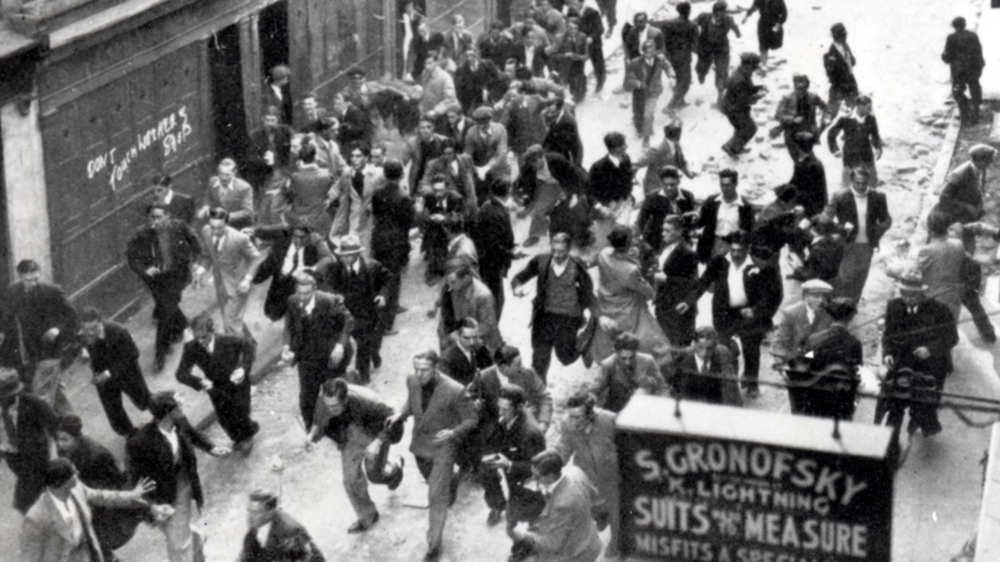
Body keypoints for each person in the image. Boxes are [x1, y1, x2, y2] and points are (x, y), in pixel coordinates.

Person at [385, 350, 478, 562]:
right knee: (433, 483)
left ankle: (434, 543)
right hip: (420, 445)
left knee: (436, 496)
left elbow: (471, 419)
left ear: (435, 367)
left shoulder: (455, 390)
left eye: (425, 369)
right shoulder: (412, 379)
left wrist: (454, 432)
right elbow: (412, 402)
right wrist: (401, 413)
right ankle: (451, 482)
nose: (419, 374)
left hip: (443, 446)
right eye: (416, 368)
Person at [126, 391, 230, 562]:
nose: (183, 406)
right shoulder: (140, 442)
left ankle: (189, 547)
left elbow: (193, 434)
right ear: (169, 413)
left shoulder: (179, 421)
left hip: (182, 486)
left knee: (178, 545)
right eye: (179, 404)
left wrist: (211, 448)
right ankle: (197, 540)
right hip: (158, 496)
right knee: (177, 531)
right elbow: (136, 480)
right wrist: (151, 506)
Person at [681, 233, 783, 398]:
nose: (735, 254)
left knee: (751, 348)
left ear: (748, 249)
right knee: (724, 347)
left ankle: (751, 383)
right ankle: (730, 382)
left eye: (740, 251)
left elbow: (774, 295)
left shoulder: (762, 267)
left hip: (748, 314)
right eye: (733, 250)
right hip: (724, 313)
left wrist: (756, 310)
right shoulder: (720, 262)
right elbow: (704, 281)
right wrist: (689, 301)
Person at [305, 380, 404, 534]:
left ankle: (395, 471)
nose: (330, 410)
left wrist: (377, 442)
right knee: (350, 480)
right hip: (351, 434)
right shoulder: (324, 399)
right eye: (328, 405)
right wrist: (312, 436)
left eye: (335, 406)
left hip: (375, 433)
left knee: (375, 475)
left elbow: (395, 419)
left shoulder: (368, 400)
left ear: (345, 400)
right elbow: (319, 420)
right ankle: (368, 516)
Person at [19, 458, 154, 562]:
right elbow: (30, 557)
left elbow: (102, 497)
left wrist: (132, 494)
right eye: (74, 473)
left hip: (88, 555)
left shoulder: (77, 489)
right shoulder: (36, 517)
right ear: (64, 483)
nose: (78, 473)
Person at [54, 416, 148, 562]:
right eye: (58, 439)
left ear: (77, 437)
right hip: (84, 503)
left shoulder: (96, 455)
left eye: (65, 439)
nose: (59, 444)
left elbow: (113, 483)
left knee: (97, 544)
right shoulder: (66, 451)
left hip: (100, 508)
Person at [881, 270, 959, 437]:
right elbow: (888, 334)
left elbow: (952, 338)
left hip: (930, 366)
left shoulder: (939, 310)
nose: (908, 299)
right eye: (904, 294)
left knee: (923, 407)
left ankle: (921, 423)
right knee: (895, 404)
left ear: (921, 292)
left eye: (913, 295)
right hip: (902, 363)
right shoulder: (893, 306)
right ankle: (890, 444)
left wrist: (930, 350)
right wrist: (887, 353)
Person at [511, 232, 596, 380]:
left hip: (567, 319)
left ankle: (584, 346)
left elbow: (587, 291)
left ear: (569, 250)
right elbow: (520, 277)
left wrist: (585, 312)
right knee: (539, 360)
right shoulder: (541, 261)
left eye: (561, 251)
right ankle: (538, 394)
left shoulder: (577, 265)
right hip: (544, 318)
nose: (556, 255)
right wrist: (517, 288)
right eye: (554, 250)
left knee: (565, 357)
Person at [126, 203, 202, 371]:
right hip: (156, 280)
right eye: (152, 217)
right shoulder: (142, 234)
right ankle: (171, 340)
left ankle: (167, 345)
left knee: (166, 310)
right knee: (167, 309)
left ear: (168, 216)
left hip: (177, 276)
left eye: (159, 217)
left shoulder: (179, 227)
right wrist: (145, 270)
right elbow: (132, 258)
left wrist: (195, 265)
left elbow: (196, 245)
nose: (155, 220)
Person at [0, 259, 78, 414]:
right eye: (29, 280)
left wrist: (57, 329)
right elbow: (6, 316)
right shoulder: (13, 291)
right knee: (54, 390)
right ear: (20, 277)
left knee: (40, 394)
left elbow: (71, 315)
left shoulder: (51, 291)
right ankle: (71, 423)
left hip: (50, 349)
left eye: (36, 278)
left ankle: (45, 432)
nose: (33, 283)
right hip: (31, 351)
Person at [282, 271, 355, 429]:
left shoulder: (330, 300)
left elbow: (348, 321)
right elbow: (288, 326)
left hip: (331, 356)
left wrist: (340, 345)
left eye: (307, 293)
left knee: (334, 395)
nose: (303, 297)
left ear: (314, 290)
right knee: (307, 397)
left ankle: (339, 428)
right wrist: (286, 347)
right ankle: (310, 428)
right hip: (307, 356)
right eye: (299, 293)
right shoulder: (292, 301)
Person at [175, 315, 259, 453]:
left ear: (211, 331)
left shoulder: (227, 340)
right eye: (197, 338)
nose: (201, 341)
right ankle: (239, 437)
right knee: (225, 418)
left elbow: (249, 345)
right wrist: (200, 382)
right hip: (216, 387)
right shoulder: (191, 348)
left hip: (236, 382)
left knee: (241, 412)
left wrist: (243, 368)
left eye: (204, 337)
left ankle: (247, 436)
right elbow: (181, 374)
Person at [552, 391, 619, 558]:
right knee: (588, 508)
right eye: (570, 416)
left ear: (590, 413)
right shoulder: (567, 423)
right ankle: (601, 517)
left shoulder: (610, 420)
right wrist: (551, 464)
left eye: (577, 417)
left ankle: (617, 539)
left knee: (616, 509)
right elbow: (563, 448)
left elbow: (626, 446)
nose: (573, 422)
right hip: (586, 475)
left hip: (612, 475)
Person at [590, 228, 672, 365]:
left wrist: (631, 256)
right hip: (628, 308)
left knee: (610, 338)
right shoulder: (630, 270)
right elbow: (647, 291)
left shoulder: (603, 254)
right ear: (628, 244)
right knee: (644, 338)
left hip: (606, 302)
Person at [322, 235, 389, 384]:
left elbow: (386, 280)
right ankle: (347, 373)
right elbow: (327, 285)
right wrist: (334, 295)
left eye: (350, 255)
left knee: (365, 343)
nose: (345, 259)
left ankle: (365, 372)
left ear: (358, 253)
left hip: (366, 311)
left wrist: (382, 295)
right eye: (343, 256)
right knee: (345, 344)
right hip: (344, 313)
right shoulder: (333, 269)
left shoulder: (372, 266)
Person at [478, 384, 546, 529]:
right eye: (499, 407)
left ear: (519, 407)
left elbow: (537, 468)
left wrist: (509, 464)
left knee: (521, 515)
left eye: (506, 409)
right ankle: (497, 504)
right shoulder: (509, 416)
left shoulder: (529, 433)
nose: (501, 412)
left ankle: (533, 524)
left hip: (527, 476)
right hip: (511, 458)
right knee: (484, 470)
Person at [78, 307, 151, 438]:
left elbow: (133, 353)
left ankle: (161, 416)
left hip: (126, 372)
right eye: (86, 329)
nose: (89, 332)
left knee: (143, 399)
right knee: (112, 409)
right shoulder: (85, 335)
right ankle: (130, 433)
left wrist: (108, 373)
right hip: (102, 375)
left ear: (100, 321)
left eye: (93, 328)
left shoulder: (118, 331)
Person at [823, 166, 892, 303]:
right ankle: (839, 306)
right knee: (845, 277)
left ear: (869, 181)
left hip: (867, 245)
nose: (861, 186)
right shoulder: (840, 196)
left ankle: (852, 305)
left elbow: (886, 220)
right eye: (857, 183)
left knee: (860, 277)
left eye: (864, 183)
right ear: (851, 181)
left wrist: (878, 231)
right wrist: (840, 229)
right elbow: (825, 219)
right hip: (847, 244)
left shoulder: (878, 197)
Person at [196, 208, 264, 341]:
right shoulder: (206, 231)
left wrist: (247, 279)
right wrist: (200, 271)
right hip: (219, 282)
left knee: (231, 321)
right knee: (229, 318)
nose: (215, 231)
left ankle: (237, 354)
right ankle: (246, 343)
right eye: (212, 227)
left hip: (238, 284)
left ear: (227, 224)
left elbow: (256, 257)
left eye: (220, 227)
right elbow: (208, 254)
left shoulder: (239, 238)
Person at [251, 218, 335, 321]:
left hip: (298, 281)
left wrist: (312, 269)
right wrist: (253, 231)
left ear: (308, 235)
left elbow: (328, 258)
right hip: (280, 277)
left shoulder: (315, 239)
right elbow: (265, 231)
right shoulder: (284, 232)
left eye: (302, 237)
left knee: (297, 313)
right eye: (295, 236)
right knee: (272, 313)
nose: (298, 241)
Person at [0, 367, 57, 514]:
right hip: (13, 456)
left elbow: (54, 425)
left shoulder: (33, 403)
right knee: (36, 491)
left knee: (24, 502)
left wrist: (61, 451)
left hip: (35, 455)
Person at [795, 297, 863, 420]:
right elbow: (854, 370)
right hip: (840, 402)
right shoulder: (854, 344)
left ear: (831, 316)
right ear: (851, 319)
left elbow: (803, 363)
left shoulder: (813, 339)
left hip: (814, 398)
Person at [370, 161, 415, 333]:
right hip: (396, 242)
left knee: (382, 277)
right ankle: (385, 323)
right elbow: (408, 223)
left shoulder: (377, 193)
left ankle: (392, 307)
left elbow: (375, 214)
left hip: (379, 238)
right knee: (392, 279)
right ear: (402, 175)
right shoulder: (404, 197)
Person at [936, 144, 997, 253]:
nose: (990, 163)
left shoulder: (980, 169)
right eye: (989, 160)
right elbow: (943, 197)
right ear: (980, 160)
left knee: (968, 246)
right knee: (959, 248)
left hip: (968, 217)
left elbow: (978, 187)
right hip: (956, 217)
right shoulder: (959, 174)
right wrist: (967, 207)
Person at [437, 258, 502, 354]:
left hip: (481, 346)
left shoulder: (483, 296)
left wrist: (462, 335)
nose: (449, 286)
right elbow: (445, 315)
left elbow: (488, 325)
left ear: (466, 279)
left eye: (453, 282)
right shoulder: (450, 289)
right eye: (447, 281)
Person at [652, 215, 699, 347]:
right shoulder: (667, 247)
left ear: (679, 231)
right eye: (663, 230)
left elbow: (693, 283)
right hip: (664, 304)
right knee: (665, 342)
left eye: (668, 230)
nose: (663, 234)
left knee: (677, 345)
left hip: (678, 306)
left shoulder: (688, 252)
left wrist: (667, 279)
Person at [238, 490, 325, 561]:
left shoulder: (290, 532)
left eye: (254, 512)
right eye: (249, 511)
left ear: (269, 513)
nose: (249, 516)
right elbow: (247, 554)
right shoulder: (257, 524)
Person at [471, 178, 515, 318]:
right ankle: (490, 335)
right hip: (493, 263)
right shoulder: (498, 213)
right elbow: (494, 244)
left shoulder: (488, 206)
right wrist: (511, 253)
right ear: (508, 193)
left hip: (486, 261)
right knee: (496, 301)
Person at [667, 326, 742, 405]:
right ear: (694, 344)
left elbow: (733, 391)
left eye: (709, 348)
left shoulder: (722, 355)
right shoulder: (682, 360)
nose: (705, 353)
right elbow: (673, 391)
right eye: (701, 348)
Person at [590, 332, 664, 413]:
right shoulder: (607, 364)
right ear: (616, 352)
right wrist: (590, 401)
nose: (628, 362)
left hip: (643, 408)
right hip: (617, 410)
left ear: (636, 351)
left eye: (632, 357)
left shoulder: (648, 360)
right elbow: (596, 387)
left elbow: (661, 386)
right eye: (623, 358)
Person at [693, 168, 755, 263]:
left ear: (735, 184)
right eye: (722, 184)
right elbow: (700, 221)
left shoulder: (745, 206)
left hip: (732, 246)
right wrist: (695, 216)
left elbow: (749, 230)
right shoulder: (712, 201)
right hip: (713, 243)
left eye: (728, 185)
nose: (724, 188)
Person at [915, 211, 967, 320]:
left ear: (930, 229)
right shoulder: (958, 244)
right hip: (954, 298)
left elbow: (912, 273)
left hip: (934, 300)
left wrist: (890, 268)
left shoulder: (927, 250)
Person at [771, 279, 834, 370]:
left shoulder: (829, 315)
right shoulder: (791, 313)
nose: (820, 301)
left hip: (820, 364)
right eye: (816, 296)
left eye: (823, 297)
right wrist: (782, 359)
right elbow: (780, 342)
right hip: (795, 363)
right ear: (805, 296)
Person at [624, 39, 672, 148]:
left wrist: (671, 76)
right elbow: (630, 79)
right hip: (640, 93)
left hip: (654, 92)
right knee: (638, 113)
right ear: (642, 52)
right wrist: (638, 83)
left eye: (652, 52)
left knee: (648, 114)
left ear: (655, 51)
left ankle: (646, 138)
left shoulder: (660, 59)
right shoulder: (635, 62)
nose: (650, 55)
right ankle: (642, 128)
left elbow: (668, 67)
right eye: (647, 52)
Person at [827, 94, 882, 190]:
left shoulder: (871, 119)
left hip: (867, 156)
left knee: (872, 184)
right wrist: (834, 149)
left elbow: (875, 136)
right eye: (868, 107)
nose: (870, 110)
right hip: (850, 156)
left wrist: (878, 148)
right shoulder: (845, 119)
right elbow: (831, 134)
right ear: (860, 106)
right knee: (847, 186)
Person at [636, 166, 696, 252]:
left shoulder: (688, 196)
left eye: (672, 185)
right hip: (658, 244)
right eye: (666, 185)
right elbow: (641, 221)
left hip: (681, 243)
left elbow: (690, 222)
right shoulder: (652, 198)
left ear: (678, 182)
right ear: (661, 183)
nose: (669, 188)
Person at [694, 1, 741, 108]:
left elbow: (734, 26)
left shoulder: (728, 19)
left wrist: (738, 33)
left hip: (721, 48)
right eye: (719, 13)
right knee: (702, 67)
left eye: (724, 13)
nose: (721, 16)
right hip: (705, 47)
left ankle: (720, 97)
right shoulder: (704, 17)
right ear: (714, 13)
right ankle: (701, 74)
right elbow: (692, 25)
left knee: (722, 71)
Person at [284, 143, 336, 236]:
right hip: (320, 219)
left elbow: (289, 195)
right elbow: (335, 192)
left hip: (298, 219)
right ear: (315, 157)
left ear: (300, 159)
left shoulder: (295, 177)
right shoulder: (327, 175)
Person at [721, 52, 766, 157]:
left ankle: (733, 146)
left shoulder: (743, 72)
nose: (754, 70)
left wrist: (758, 88)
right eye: (754, 67)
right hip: (734, 109)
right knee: (750, 128)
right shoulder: (739, 79)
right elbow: (744, 100)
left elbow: (748, 89)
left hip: (733, 106)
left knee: (741, 128)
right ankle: (732, 149)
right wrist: (759, 96)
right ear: (747, 65)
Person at [774, 74, 828, 162]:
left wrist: (825, 120)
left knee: (806, 160)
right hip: (792, 135)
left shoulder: (813, 97)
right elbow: (777, 116)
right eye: (798, 88)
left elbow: (826, 109)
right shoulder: (787, 98)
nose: (800, 92)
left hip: (809, 133)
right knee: (800, 161)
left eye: (803, 89)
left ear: (807, 87)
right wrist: (792, 119)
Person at [942, 16, 985, 125]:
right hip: (973, 69)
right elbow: (979, 52)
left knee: (957, 92)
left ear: (954, 26)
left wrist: (943, 56)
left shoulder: (951, 37)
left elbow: (948, 56)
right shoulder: (973, 36)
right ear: (964, 24)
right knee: (975, 90)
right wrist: (979, 67)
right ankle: (975, 113)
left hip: (959, 71)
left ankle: (965, 115)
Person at [656, 2, 698, 110]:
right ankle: (671, 105)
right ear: (689, 11)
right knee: (686, 82)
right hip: (683, 57)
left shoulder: (668, 23)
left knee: (677, 79)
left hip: (670, 56)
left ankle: (680, 101)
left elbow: (662, 40)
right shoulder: (692, 26)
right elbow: (695, 45)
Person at [247, 106, 293, 194]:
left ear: (278, 120)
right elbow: (251, 157)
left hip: (283, 172)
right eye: (267, 120)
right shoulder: (255, 135)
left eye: (273, 120)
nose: (270, 123)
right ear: (263, 119)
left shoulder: (286, 131)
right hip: (265, 174)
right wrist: (264, 161)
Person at [199, 158, 255, 229]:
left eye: (227, 175)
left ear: (234, 173)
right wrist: (205, 207)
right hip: (217, 226)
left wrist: (226, 217)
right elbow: (207, 197)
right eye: (221, 174)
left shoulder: (244, 187)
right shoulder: (212, 181)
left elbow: (248, 212)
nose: (223, 178)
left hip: (237, 227)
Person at [439, 317, 494, 386]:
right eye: (466, 338)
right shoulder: (447, 359)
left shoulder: (482, 350)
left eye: (475, 337)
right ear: (457, 335)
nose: (472, 342)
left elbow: (491, 374)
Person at [788, 132, 828, 218]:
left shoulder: (813, 165)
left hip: (812, 207)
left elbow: (813, 192)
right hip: (806, 202)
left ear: (800, 148)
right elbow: (794, 181)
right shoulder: (803, 162)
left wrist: (792, 195)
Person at [823, 23, 858, 119]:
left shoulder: (845, 46)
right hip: (839, 86)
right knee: (830, 113)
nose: (846, 36)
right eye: (843, 34)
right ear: (837, 36)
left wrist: (850, 60)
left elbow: (853, 61)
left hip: (850, 81)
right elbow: (831, 73)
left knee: (855, 108)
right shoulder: (830, 53)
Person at [742, 0, 786, 70]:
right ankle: (764, 65)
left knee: (774, 44)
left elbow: (784, 13)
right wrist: (746, 16)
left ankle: (769, 60)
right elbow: (754, 7)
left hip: (774, 23)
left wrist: (779, 23)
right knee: (763, 45)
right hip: (763, 24)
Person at [541, 99, 584, 165]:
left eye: (553, 112)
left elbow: (577, 144)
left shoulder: (569, 121)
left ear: (560, 110)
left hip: (562, 153)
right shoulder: (550, 112)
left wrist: (577, 164)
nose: (550, 115)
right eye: (548, 111)